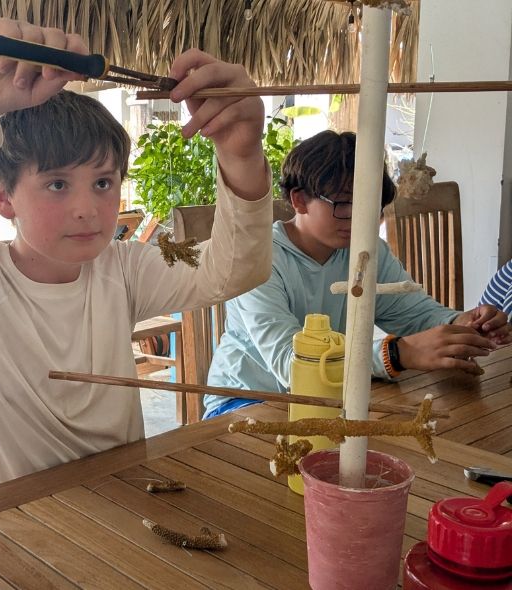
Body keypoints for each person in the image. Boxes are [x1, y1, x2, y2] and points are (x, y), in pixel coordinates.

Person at [0, 18, 273, 496]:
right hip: (1, 531)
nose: (87, 209)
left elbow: (234, 269)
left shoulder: (123, 269)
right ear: (2, 196)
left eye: (103, 182)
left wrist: (242, 155)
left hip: (124, 513)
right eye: (57, 184)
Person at [204, 130, 511, 418]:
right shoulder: (257, 259)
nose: (358, 217)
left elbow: (413, 314)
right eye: (344, 204)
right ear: (299, 200)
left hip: (326, 396)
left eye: (369, 204)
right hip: (244, 401)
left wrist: (461, 324)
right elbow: (291, 364)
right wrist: (396, 353)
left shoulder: (365, 252)